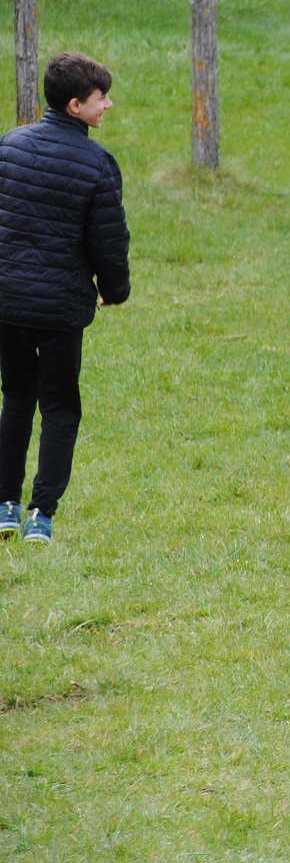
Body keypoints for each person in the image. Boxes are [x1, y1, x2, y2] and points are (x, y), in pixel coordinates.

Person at [0, 53, 130, 545]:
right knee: (60, 407)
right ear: (76, 105)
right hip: (60, 309)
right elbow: (108, 241)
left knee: (16, 397)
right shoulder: (97, 164)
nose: (108, 105)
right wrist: (114, 291)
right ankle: (41, 515)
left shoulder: (9, 145)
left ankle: (5, 506)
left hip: (7, 304)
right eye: (102, 98)